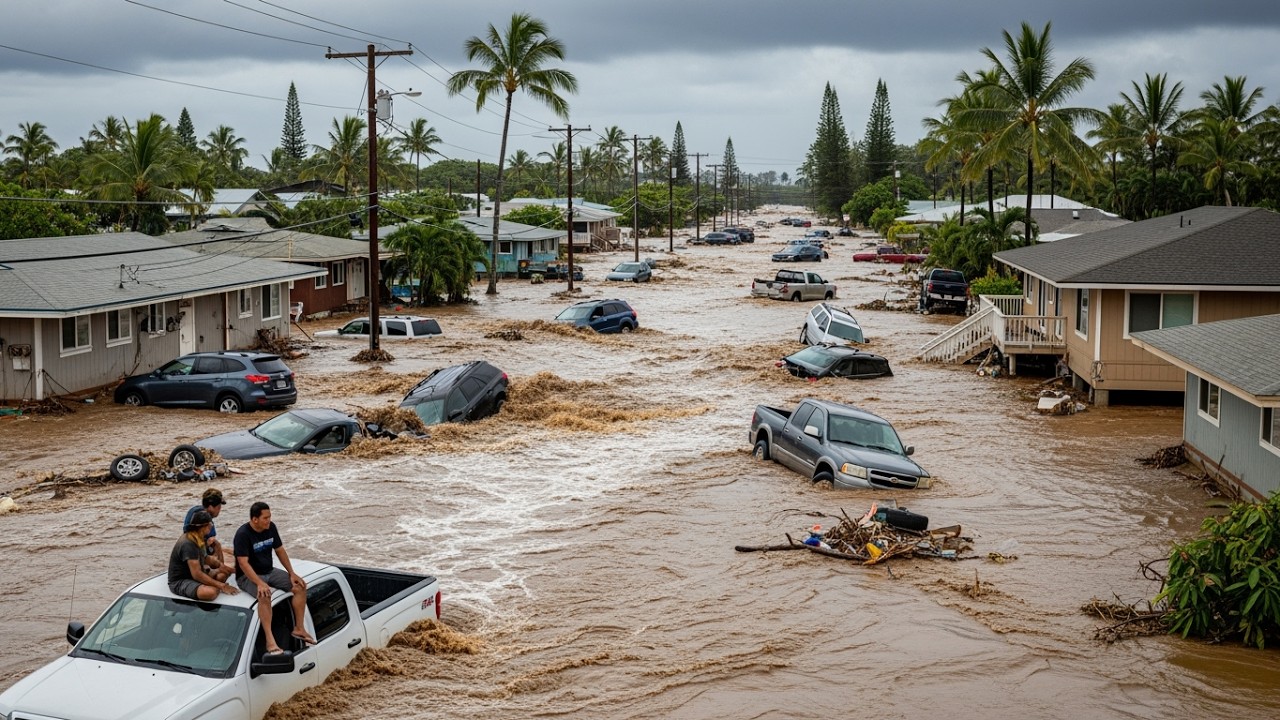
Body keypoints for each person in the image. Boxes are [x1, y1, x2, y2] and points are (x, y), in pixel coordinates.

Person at [233, 501, 315, 655]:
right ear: (255, 519)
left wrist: (292, 573)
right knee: (265, 595)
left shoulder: (271, 528)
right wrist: (259, 583)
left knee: (300, 587)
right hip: (247, 576)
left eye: (269, 517)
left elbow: (280, 550)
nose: (268, 520)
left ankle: (299, 628)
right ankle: (270, 641)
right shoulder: (243, 534)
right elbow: (242, 563)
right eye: (265, 518)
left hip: (269, 571)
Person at [168, 510, 239, 601]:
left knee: (222, 575)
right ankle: (214, 586)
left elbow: (208, 560)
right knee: (211, 592)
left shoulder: (199, 538)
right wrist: (222, 586)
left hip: (196, 574)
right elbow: (197, 574)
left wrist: (233, 570)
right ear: (204, 526)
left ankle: (214, 584)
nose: (211, 527)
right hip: (181, 581)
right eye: (210, 525)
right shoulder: (188, 543)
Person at [183, 488, 228, 569]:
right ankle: (221, 569)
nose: (220, 510)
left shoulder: (194, 510)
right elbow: (210, 541)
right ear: (210, 507)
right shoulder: (205, 519)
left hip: (192, 548)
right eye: (219, 507)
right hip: (196, 552)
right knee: (217, 545)